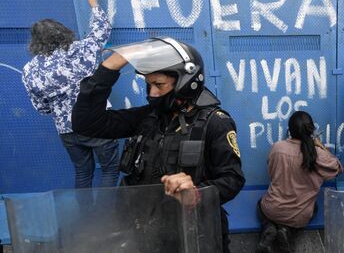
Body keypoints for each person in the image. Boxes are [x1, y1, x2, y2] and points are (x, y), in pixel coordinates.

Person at [72, 37, 245, 252]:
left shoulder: (215, 122)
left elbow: (232, 178)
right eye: (148, 84)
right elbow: (86, 124)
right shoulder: (149, 117)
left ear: (185, 82)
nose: (152, 93)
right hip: (145, 234)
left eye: (159, 85)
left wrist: (195, 193)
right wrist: (110, 67)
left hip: (194, 235)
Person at [22, 0, 119, 189]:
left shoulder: (30, 69)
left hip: (67, 130)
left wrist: (60, 108)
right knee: (110, 169)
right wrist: (91, 0)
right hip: (96, 122)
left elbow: (42, 108)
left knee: (83, 174)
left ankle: (84, 219)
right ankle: (107, 217)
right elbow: (101, 30)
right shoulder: (78, 51)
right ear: (62, 32)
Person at [256, 111, 342, 253]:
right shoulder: (316, 154)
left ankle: (268, 227)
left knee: (260, 205)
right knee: (314, 208)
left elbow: (272, 174)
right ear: (311, 130)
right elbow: (337, 168)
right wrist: (320, 146)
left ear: (290, 130)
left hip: (272, 210)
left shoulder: (277, 147)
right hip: (299, 216)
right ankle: (287, 231)